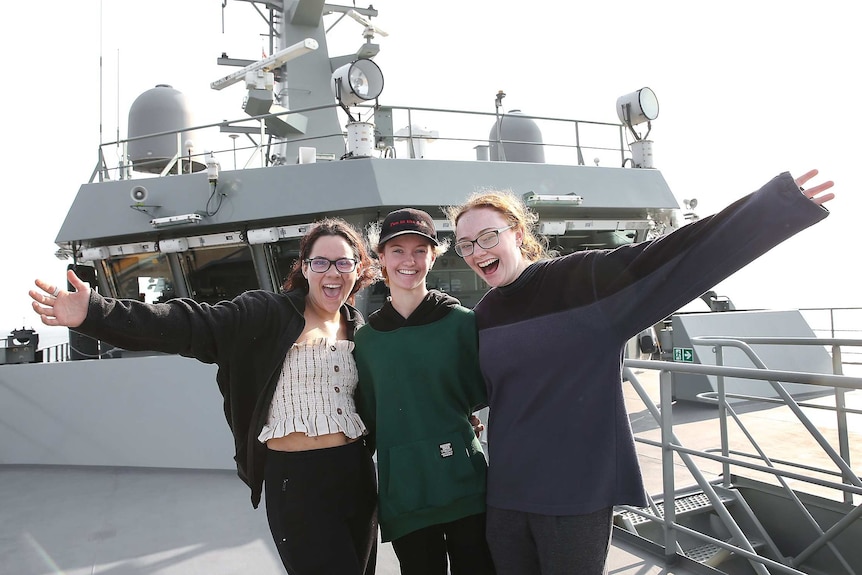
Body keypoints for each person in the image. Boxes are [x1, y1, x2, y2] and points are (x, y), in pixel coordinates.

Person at [444, 169, 836, 574]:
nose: (477, 250)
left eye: (488, 236)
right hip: (506, 493)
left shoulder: (582, 280)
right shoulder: (483, 315)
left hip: (574, 494)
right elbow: (473, 388)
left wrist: (778, 204)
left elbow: (678, 253)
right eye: (466, 244)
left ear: (518, 234)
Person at [29, 218, 379, 575]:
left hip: (356, 475)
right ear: (305, 268)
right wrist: (95, 312)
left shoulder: (358, 326)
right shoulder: (267, 314)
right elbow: (189, 323)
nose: (331, 272)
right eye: (320, 262)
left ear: (358, 268)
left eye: (343, 262)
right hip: (298, 482)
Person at [354, 208, 496, 575]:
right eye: (397, 250)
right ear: (381, 258)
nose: (409, 260)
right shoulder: (366, 341)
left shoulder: (464, 323)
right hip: (405, 494)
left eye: (420, 250)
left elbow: (477, 396)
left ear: (433, 257)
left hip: (465, 486)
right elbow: (369, 418)